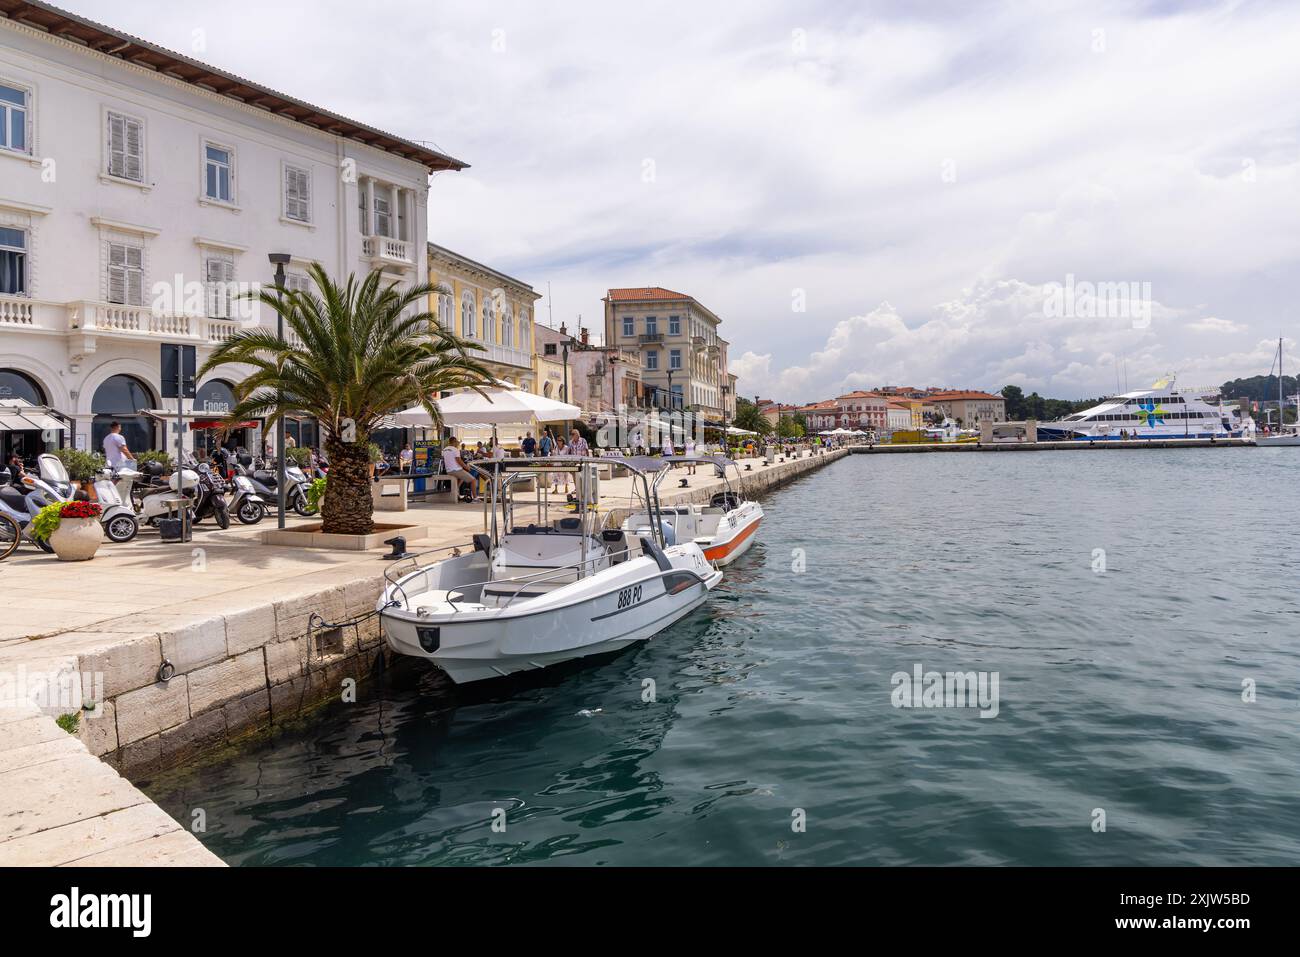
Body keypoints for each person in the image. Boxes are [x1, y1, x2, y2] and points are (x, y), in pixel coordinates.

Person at [440, 438, 479, 502]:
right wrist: (467, 467)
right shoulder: (455, 450)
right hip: (455, 470)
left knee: (462, 477)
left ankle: (456, 491)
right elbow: (459, 461)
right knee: (473, 480)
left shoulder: (444, 449)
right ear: (454, 442)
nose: (458, 444)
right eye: (457, 443)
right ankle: (475, 498)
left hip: (449, 470)